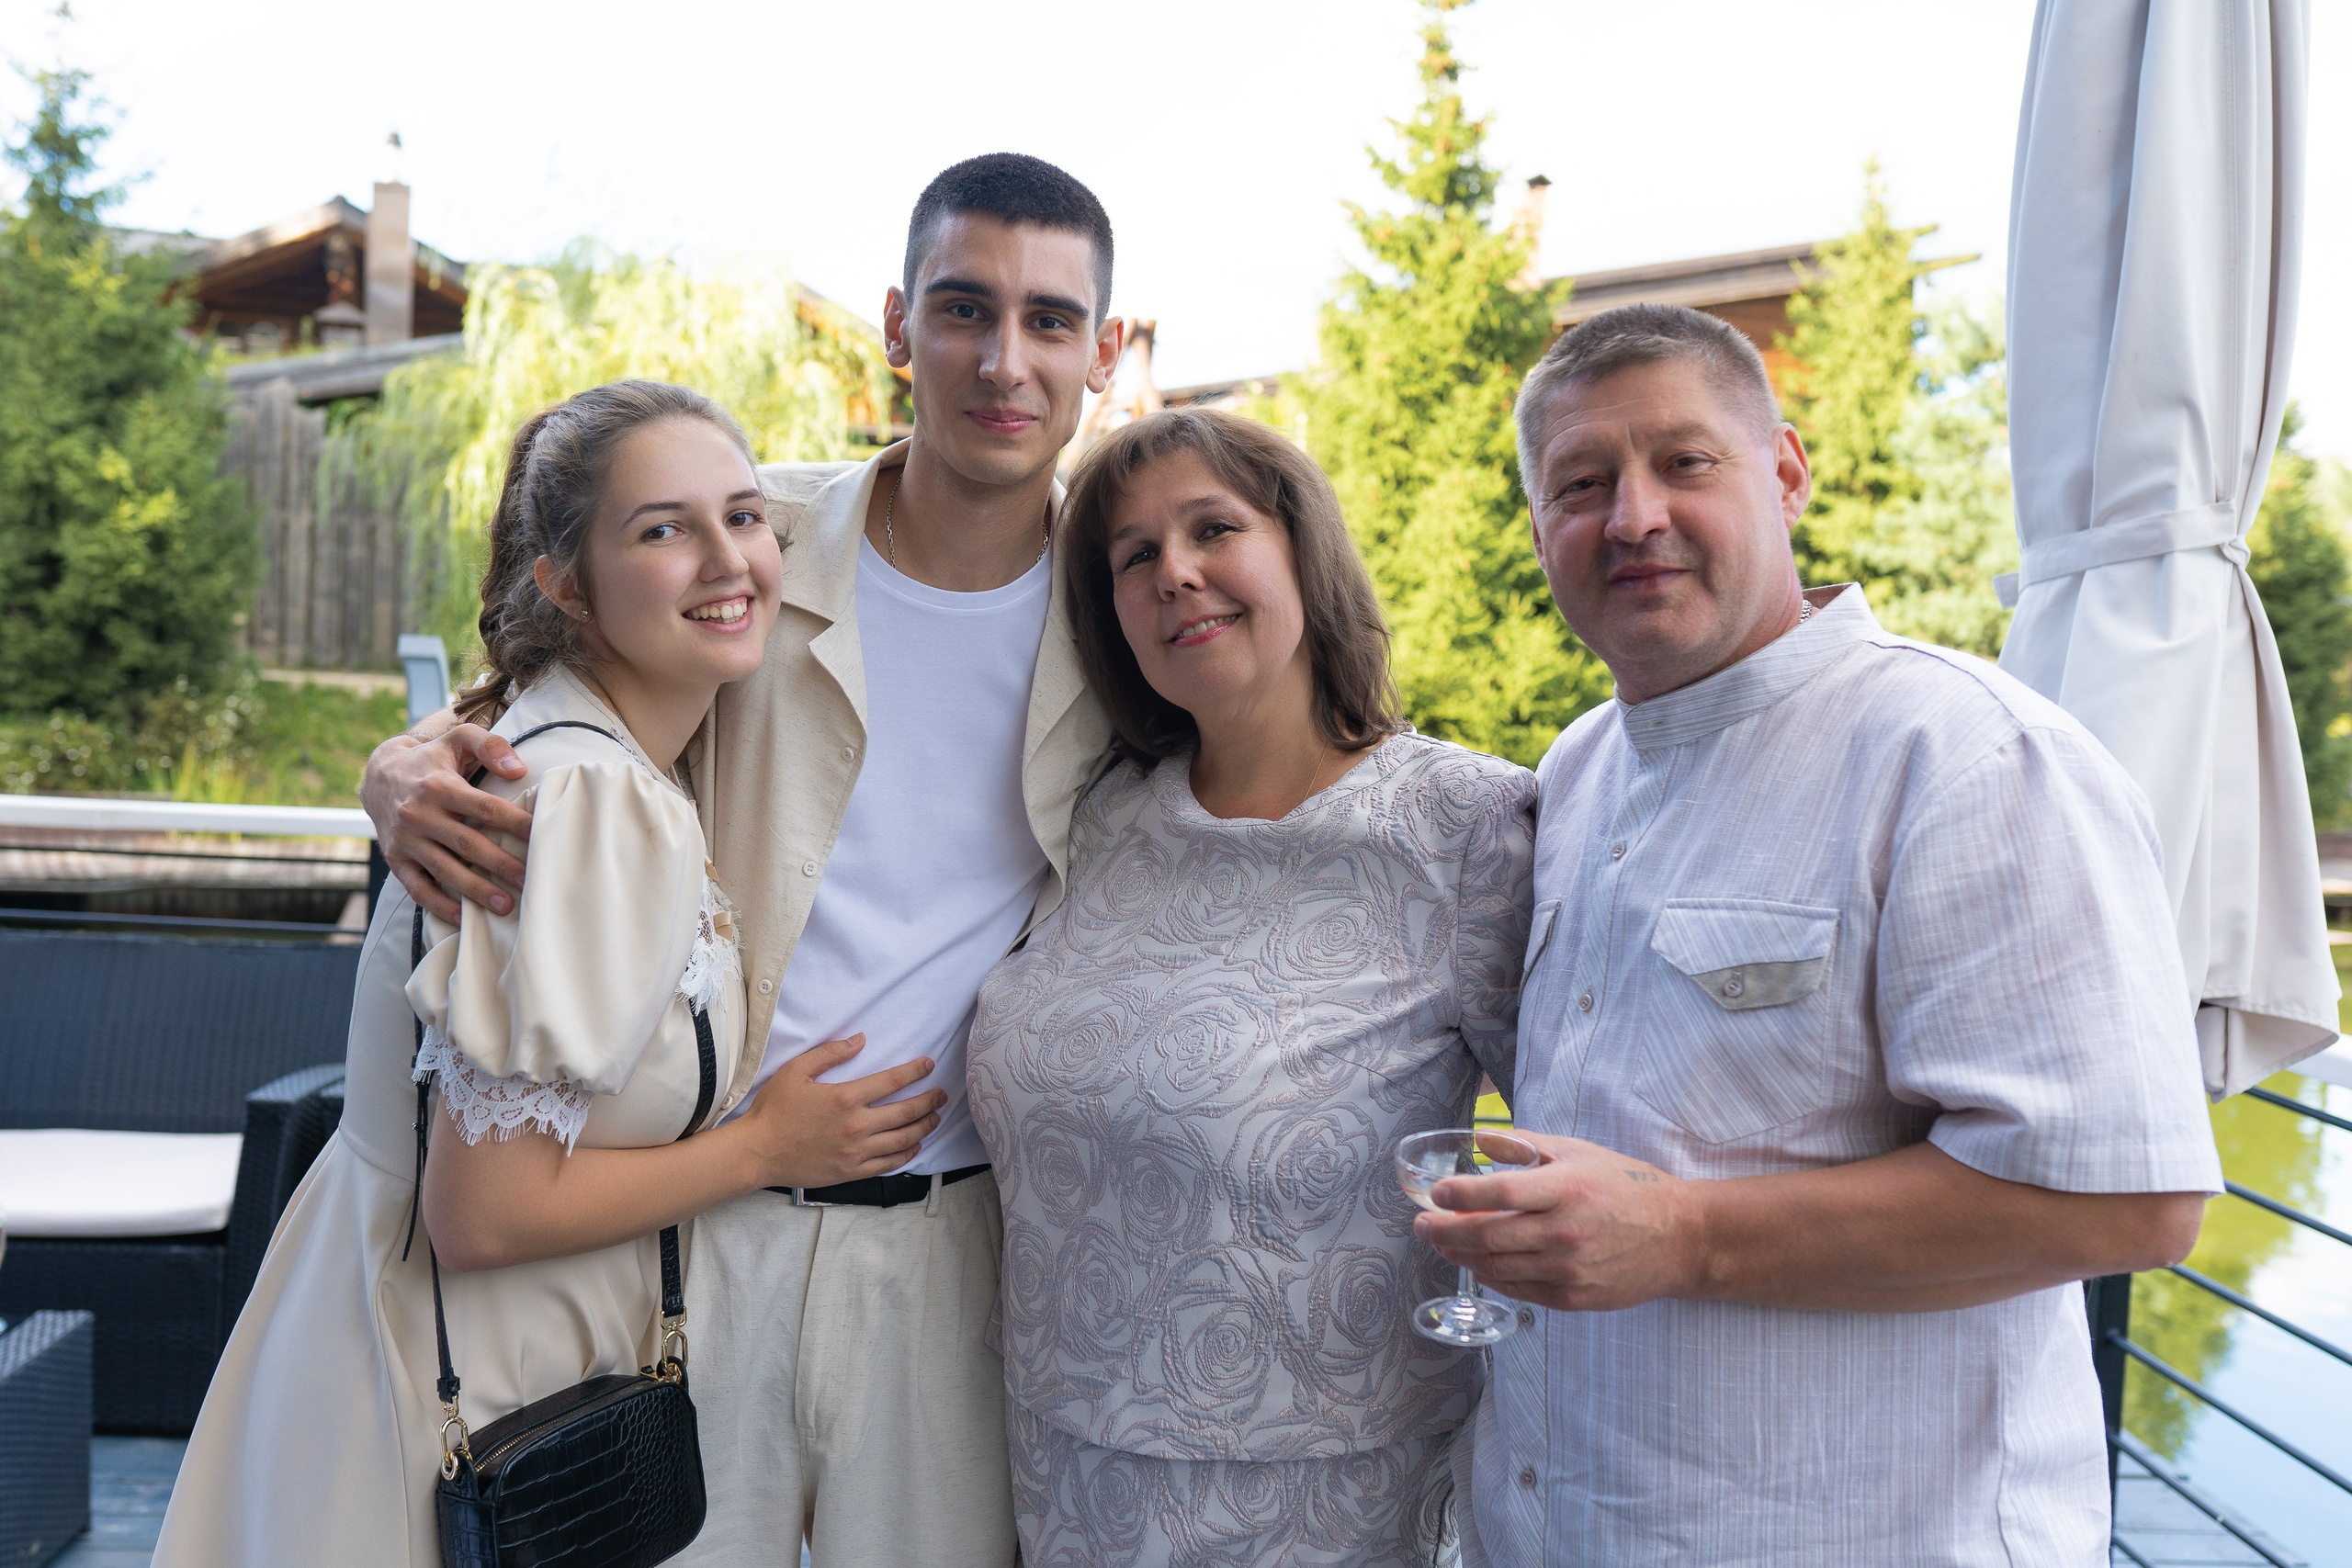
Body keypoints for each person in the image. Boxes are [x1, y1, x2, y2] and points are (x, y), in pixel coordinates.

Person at [357, 155, 1125, 1566]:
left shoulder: (1128, 607)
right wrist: (399, 767)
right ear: (899, 326)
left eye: (1051, 320)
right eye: (963, 308)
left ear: (1106, 351)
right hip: (694, 1229)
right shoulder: (748, 541)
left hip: (958, 1247)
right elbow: (534, 702)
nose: (1004, 360)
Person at [1412, 303, 2223, 1566]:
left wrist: (1683, 1234)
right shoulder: (1575, 767)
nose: (1633, 516)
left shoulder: (1966, 755)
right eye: (1580, 484)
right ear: (1537, 529)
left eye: (1684, 461)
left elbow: (2128, 1201)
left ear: (1785, 473)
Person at [154, 381, 947, 1568]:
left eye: (743, 516)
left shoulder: (570, 746)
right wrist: (769, 1148)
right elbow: (486, 1210)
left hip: (418, 1336)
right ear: (565, 584)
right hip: (456, 1385)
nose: (726, 559)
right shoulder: (589, 797)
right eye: (663, 528)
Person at [966, 408, 1534, 1567]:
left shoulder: (1466, 826)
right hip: (1064, 1477)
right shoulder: (1096, 819)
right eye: (1134, 556)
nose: (1174, 573)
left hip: (1329, 1499)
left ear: (1301, 552)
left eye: (1213, 529)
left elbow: (1587, 1147)